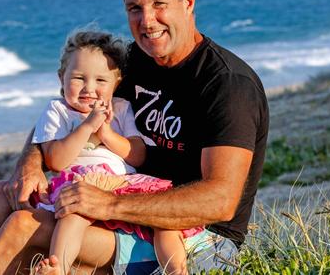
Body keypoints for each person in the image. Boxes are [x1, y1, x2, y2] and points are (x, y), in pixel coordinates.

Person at [0, 0, 268, 274]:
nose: (147, 21)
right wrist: (28, 166)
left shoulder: (227, 84)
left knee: (24, 227)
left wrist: (107, 203)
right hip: (123, 208)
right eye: (134, 8)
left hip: (195, 238)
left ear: (188, 2)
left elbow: (220, 201)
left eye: (158, 4)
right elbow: (66, 110)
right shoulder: (134, 62)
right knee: (2, 196)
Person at [29, 30, 202, 275]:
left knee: (164, 218)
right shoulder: (57, 111)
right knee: (74, 214)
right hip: (81, 183)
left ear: (116, 83)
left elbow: (138, 154)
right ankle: (59, 266)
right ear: (61, 78)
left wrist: (107, 133)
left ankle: (176, 269)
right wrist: (88, 126)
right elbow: (56, 160)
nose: (89, 88)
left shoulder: (121, 108)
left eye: (101, 81)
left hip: (123, 183)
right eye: (78, 78)